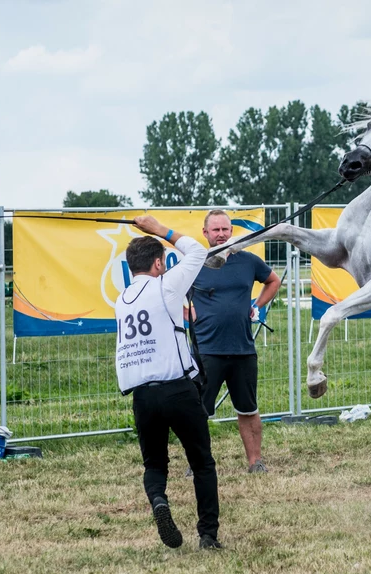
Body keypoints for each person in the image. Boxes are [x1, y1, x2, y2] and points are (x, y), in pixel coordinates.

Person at [114, 215, 223, 551]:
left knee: (155, 464)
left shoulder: (122, 300)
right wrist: (160, 229)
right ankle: (207, 535)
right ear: (158, 263)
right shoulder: (167, 284)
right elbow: (196, 252)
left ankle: (159, 500)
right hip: (177, 388)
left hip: (142, 396)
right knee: (202, 462)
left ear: (131, 267)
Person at [191, 210, 282, 473]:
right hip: (206, 351)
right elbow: (172, 294)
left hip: (242, 349)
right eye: (215, 230)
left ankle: (255, 462)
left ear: (232, 232)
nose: (221, 235)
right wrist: (189, 314)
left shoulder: (248, 261)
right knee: (198, 412)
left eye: (225, 230)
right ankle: (197, 464)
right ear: (205, 233)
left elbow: (273, 281)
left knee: (248, 409)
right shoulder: (195, 263)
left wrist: (257, 305)